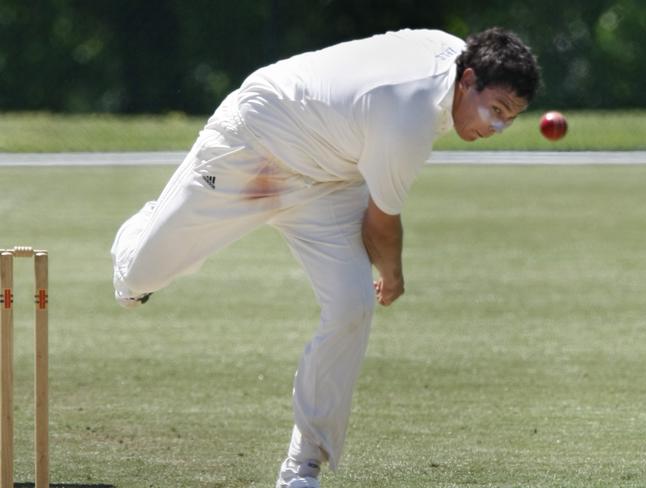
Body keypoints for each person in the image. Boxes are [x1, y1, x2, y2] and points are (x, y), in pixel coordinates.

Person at [111, 27, 540, 488]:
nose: (497, 127)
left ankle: (303, 467)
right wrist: (392, 275)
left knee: (352, 305)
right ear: (468, 79)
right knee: (137, 281)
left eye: (509, 118)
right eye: (495, 111)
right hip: (254, 144)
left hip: (328, 179)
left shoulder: (457, 54)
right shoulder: (409, 117)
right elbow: (380, 225)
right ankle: (150, 226)